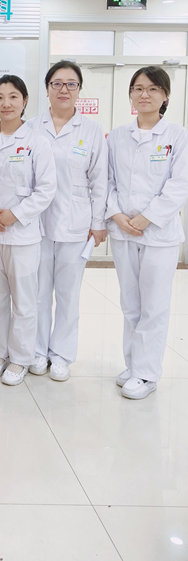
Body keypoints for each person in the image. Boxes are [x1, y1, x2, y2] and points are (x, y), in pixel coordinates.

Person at [107, 66, 188, 400]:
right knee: (130, 303)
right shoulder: (118, 136)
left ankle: (147, 373)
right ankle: (133, 365)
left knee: (154, 305)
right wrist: (117, 214)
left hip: (159, 235)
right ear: (130, 95)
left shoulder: (178, 136)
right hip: (123, 231)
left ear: (165, 96)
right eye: (138, 88)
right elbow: (107, 180)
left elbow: (180, 184)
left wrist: (146, 218)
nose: (144, 94)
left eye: (153, 89)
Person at [26, 61, 107, 381]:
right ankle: (36, 351)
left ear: (79, 90)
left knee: (68, 294)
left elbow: (100, 179)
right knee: (37, 292)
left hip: (77, 222)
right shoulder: (31, 127)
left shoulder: (91, 130)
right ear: (47, 89)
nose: (64, 89)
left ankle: (60, 354)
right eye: (57, 83)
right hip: (36, 223)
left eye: (71, 84)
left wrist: (98, 221)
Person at [0, 75, 56, 386]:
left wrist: (16, 214)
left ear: (24, 101)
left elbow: (46, 189)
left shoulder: (37, 142)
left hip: (22, 235)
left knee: (24, 300)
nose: (6, 103)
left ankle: (21, 358)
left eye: (13, 97)